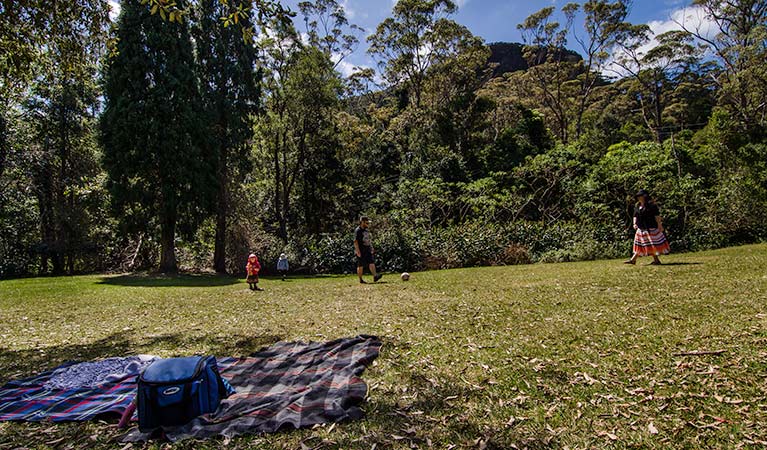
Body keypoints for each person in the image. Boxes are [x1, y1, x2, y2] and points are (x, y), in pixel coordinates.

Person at [625, 189, 670, 265]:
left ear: (645, 196)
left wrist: (659, 225)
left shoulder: (652, 206)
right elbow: (635, 216)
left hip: (651, 227)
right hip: (641, 228)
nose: (639, 198)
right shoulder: (637, 206)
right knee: (640, 245)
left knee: (651, 245)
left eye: (641, 196)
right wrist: (634, 224)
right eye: (638, 196)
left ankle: (635, 260)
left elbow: (657, 216)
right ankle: (634, 260)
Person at [354, 216, 382, 283]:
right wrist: (357, 251)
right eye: (366, 223)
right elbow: (355, 241)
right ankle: (360, 279)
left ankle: (375, 276)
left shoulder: (366, 230)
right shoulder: (358, 230)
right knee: (360, 265)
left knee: (371, 262)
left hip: (367, 248)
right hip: (361, 249)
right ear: (362, 222)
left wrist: (371, 247)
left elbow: (368, 240)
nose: (368, 224)